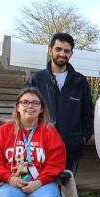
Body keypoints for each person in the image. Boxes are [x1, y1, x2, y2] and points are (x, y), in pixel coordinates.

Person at [26, 32, 94, 174]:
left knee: (66, 191)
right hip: (40, 148)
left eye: (66, 51)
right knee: (41, 191)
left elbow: (88, 113)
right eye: (58, 49)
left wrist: (83, 137)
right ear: (50, 49)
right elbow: (25, 110)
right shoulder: (36, 80)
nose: (62, 54)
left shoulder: (80, 81)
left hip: (70, 148)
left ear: (71, 54)